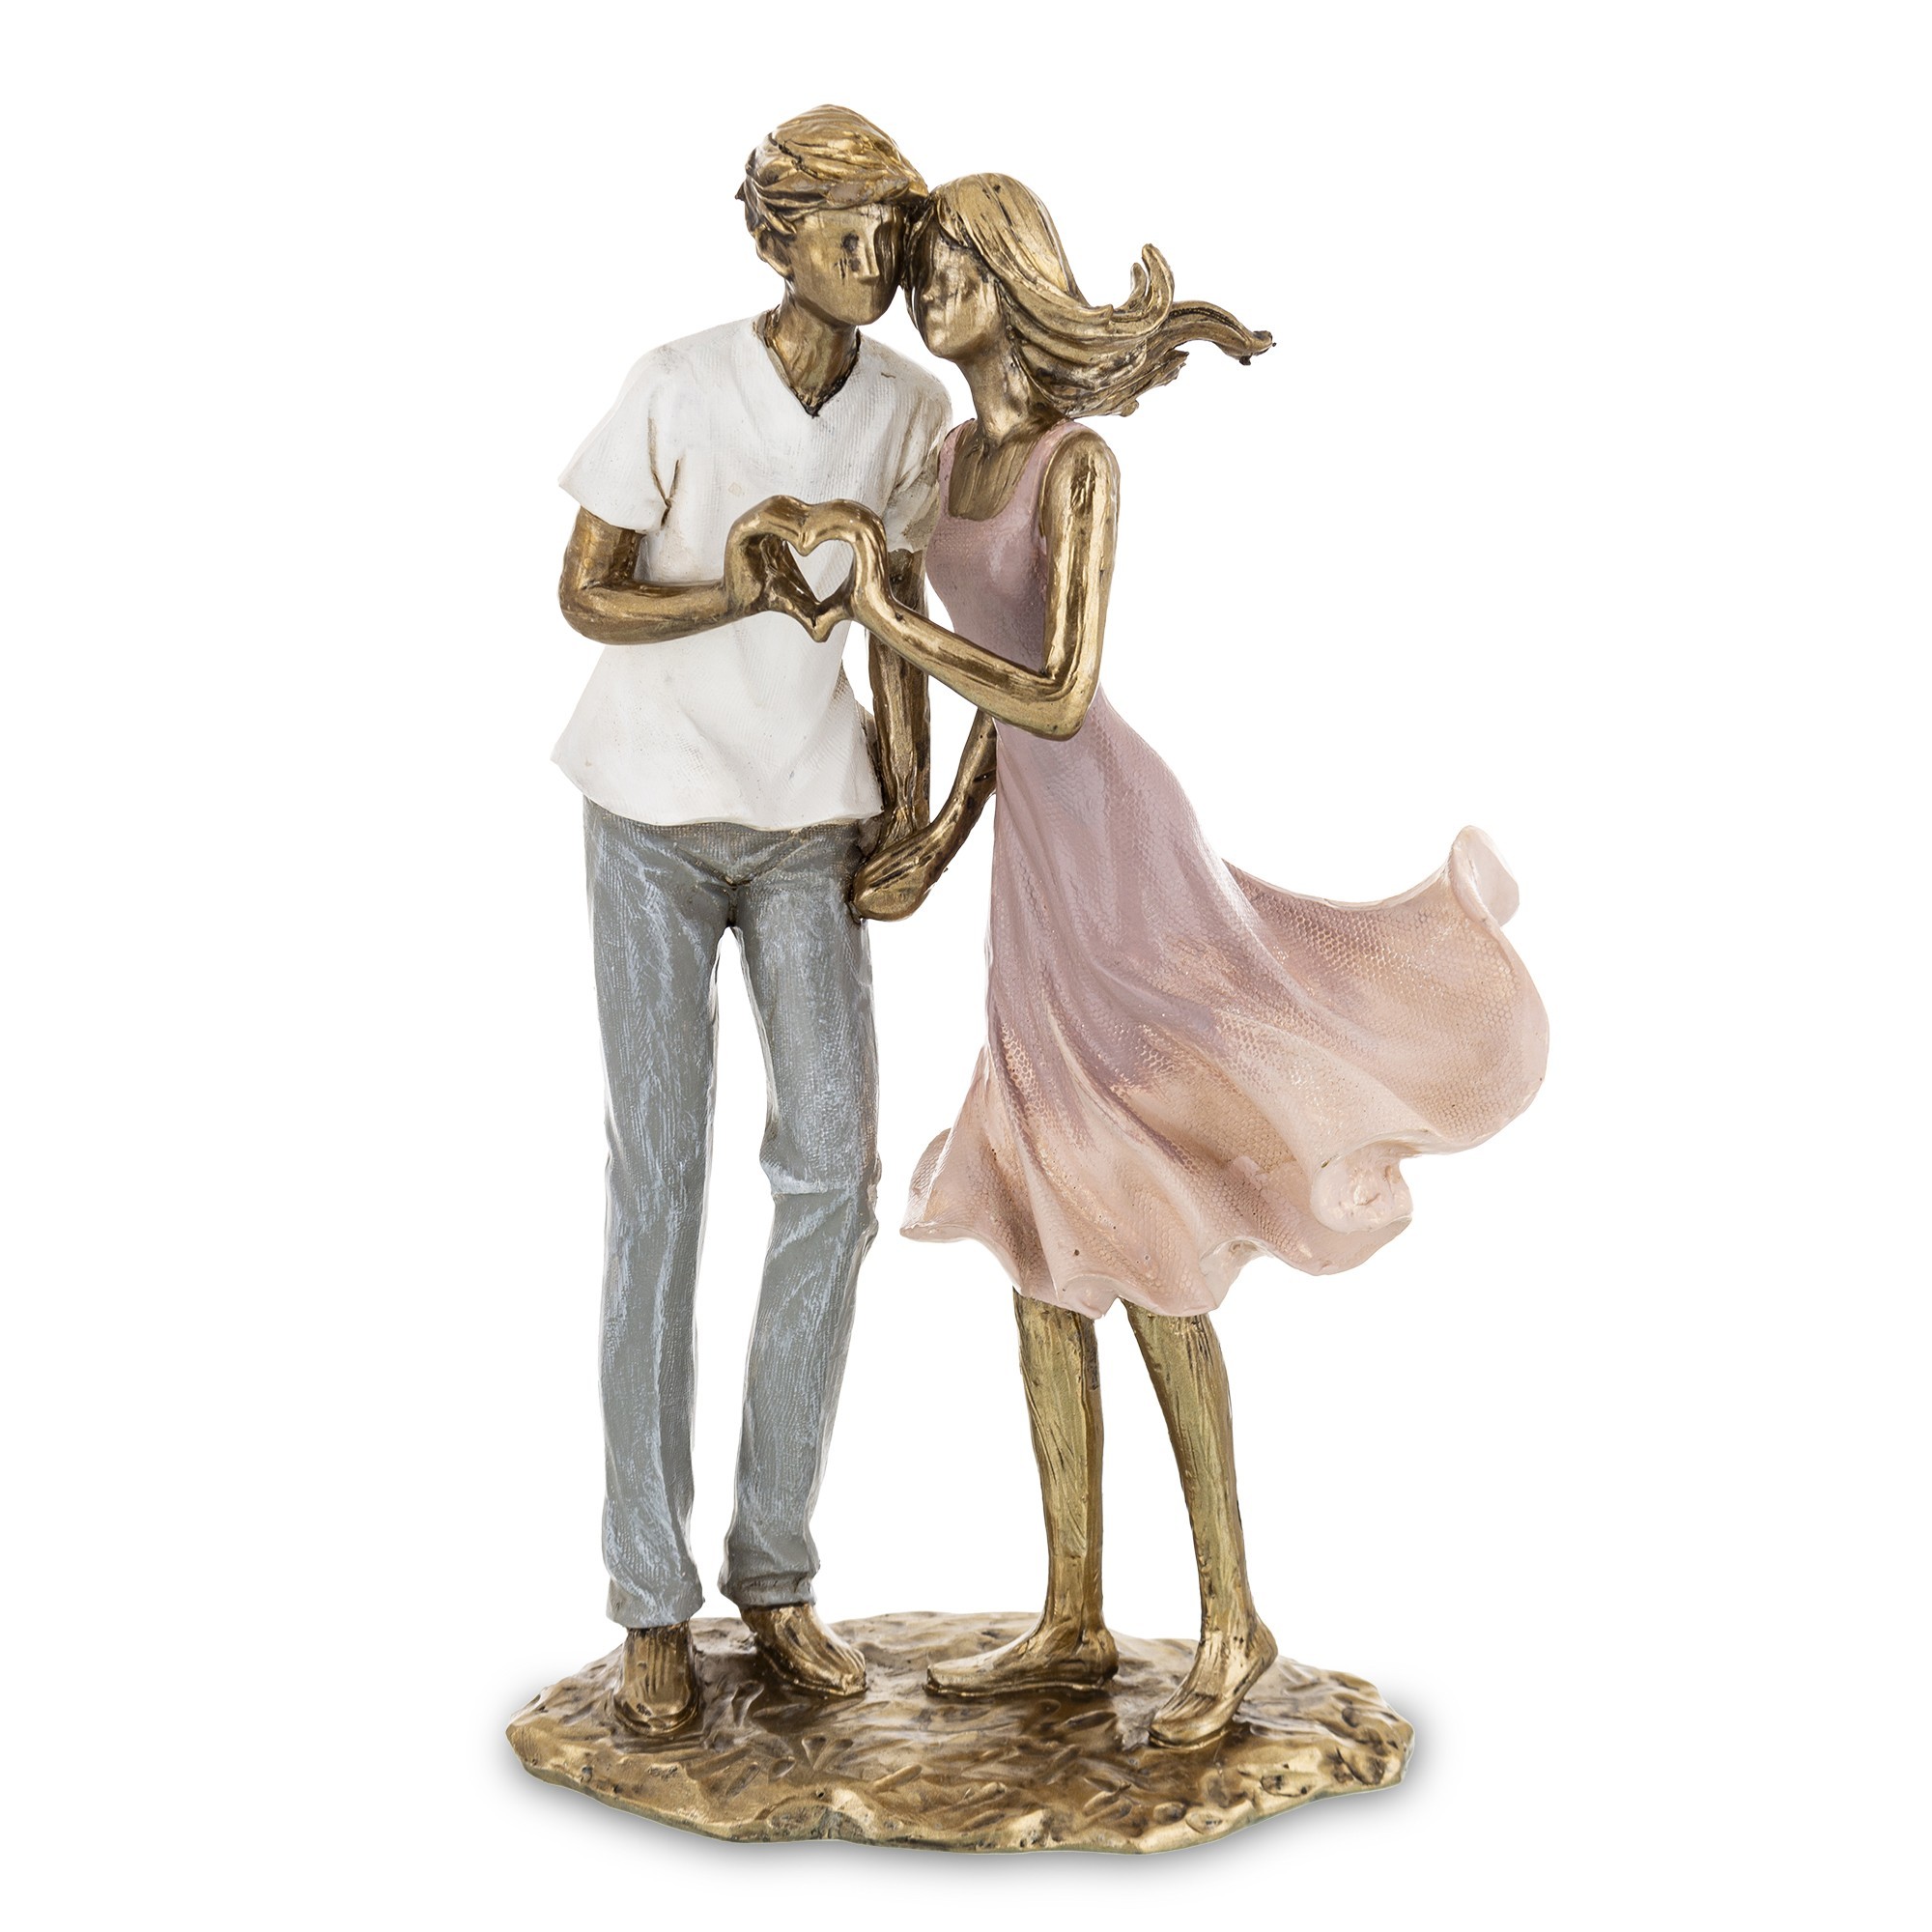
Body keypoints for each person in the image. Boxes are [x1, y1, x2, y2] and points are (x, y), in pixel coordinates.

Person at [744, 174, 1548, 1746]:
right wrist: (934, 844)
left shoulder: (1077, 464)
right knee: (1036, 1228)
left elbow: (1056, 696)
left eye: (959, 265)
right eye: (927, 267)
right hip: (1034, 877)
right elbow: (993, 718)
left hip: (1121, 860)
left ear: (1019, 280)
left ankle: (1235, 1621)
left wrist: (891, 625)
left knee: (1152, 1235)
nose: (931, 289)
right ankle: (1072, 1616)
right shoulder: (949, 461)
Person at [552, 107, 951, 1734]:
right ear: (774, 237)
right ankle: (651, 1595)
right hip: (648, 815)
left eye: (890, 231)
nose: (876, 257)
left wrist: (911, 810)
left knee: (834, 1174)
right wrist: (738, 579)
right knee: (658, 1184)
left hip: (806, 824)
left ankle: (773, 1571)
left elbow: (901, 622)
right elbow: (583, 589)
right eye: (846, 229)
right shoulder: (674, 379)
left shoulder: (910, 409)